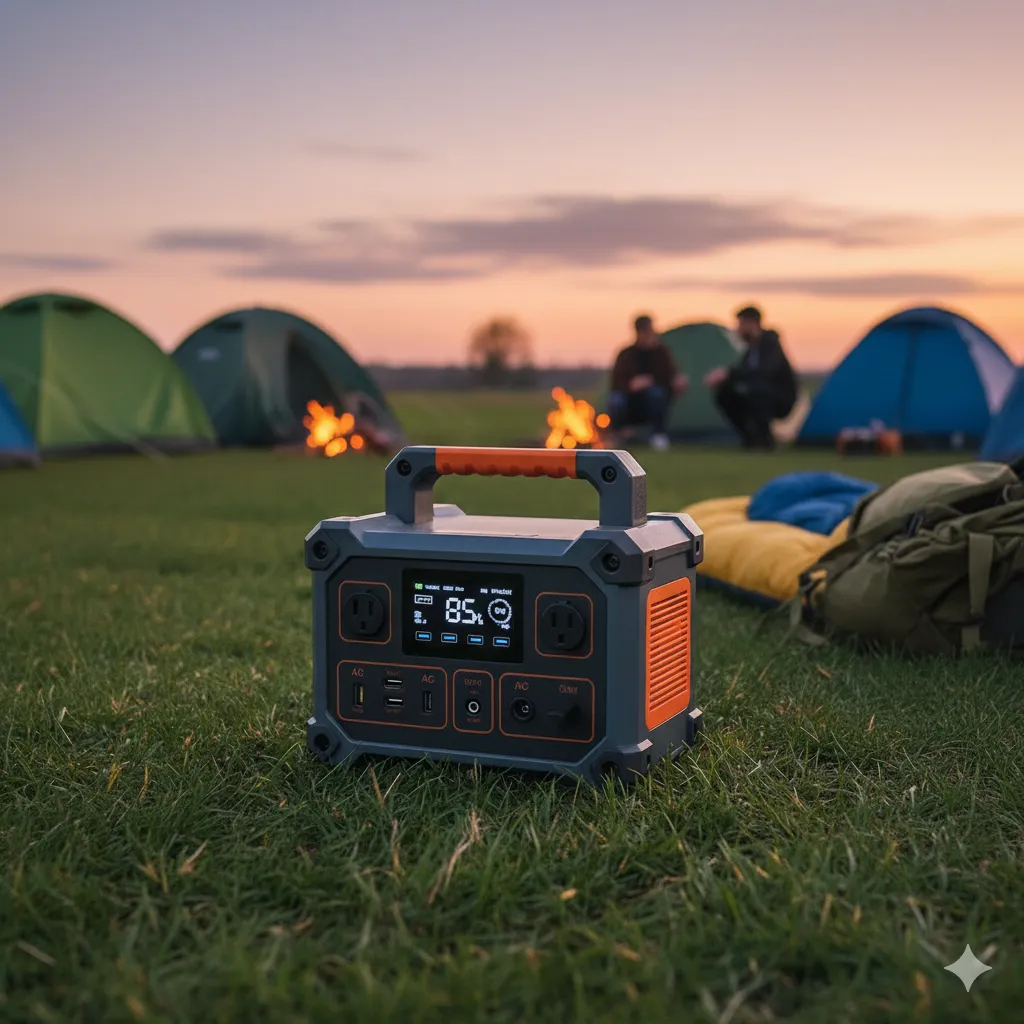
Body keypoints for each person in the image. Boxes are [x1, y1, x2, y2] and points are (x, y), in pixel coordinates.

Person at [704, 305, 797, 450]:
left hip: (780, 398)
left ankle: (764, 439)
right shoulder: (752, 349)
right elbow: (742, 371)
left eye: (741, 324)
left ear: (752, 323)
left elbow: (764, 372)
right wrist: (723, 377)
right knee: (725, 394)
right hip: (759, 395)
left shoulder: (770, 344)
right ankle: (750, 438)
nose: (738, 329)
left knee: (758, 389)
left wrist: (728, 374)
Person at [608, 315, 688, 450]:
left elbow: (671, 376)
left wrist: (673, 382)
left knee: (656, 394)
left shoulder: (662, 353)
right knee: (616, 399)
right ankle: (617, 435)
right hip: (630, 398)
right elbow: (616, 382)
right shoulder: (626, 354)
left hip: (653, 398)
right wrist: (631, 385)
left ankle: (659, 435)